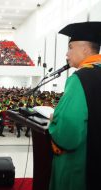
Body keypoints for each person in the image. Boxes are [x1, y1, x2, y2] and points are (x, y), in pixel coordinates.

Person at [48, 21, 101, 190]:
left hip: (80, 163)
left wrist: (54, 120)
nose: (66, 54)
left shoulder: (80, 79)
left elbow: (68, 131)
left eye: (70, 47)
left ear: (85, 49)